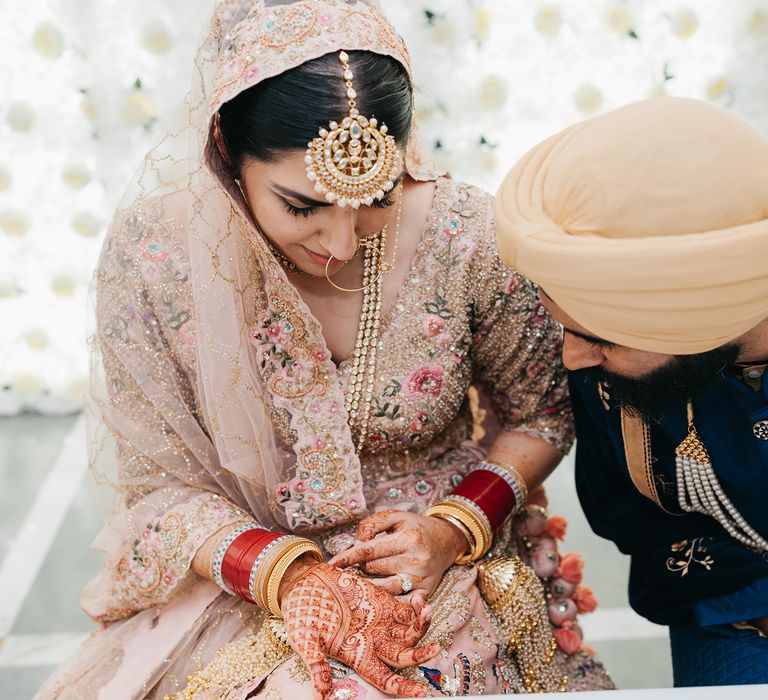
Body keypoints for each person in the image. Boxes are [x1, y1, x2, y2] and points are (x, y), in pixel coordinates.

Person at [36, 1, 613, 698]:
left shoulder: (466, 235)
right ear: (225, 150)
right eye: (302, 206)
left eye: (377, 199)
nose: (340, 245)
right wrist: (289, 575)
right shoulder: (156, 257)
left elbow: (544, 413)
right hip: (243, 570)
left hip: (432, 567)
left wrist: (453, 529)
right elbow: (158, 487)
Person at [494, 96, 768, 687]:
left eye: (599, 339)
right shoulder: (611, 377)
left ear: (702, 313)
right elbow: (624, 515)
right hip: (724, 622)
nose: (573, 357)